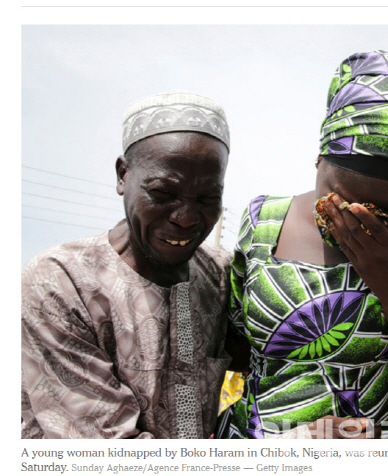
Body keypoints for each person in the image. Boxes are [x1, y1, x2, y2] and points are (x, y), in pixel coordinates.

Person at [218, 50, 388, 439]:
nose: (355, 219)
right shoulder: (264, 220)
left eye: (384, 212)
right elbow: (238, 346)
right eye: (338, 202)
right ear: (319, 158)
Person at [21, 90, 241, 439]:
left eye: (207, 198)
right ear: (123, 175)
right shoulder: (59, 283)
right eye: (163, 193)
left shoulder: (219, 277)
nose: (185, 218)